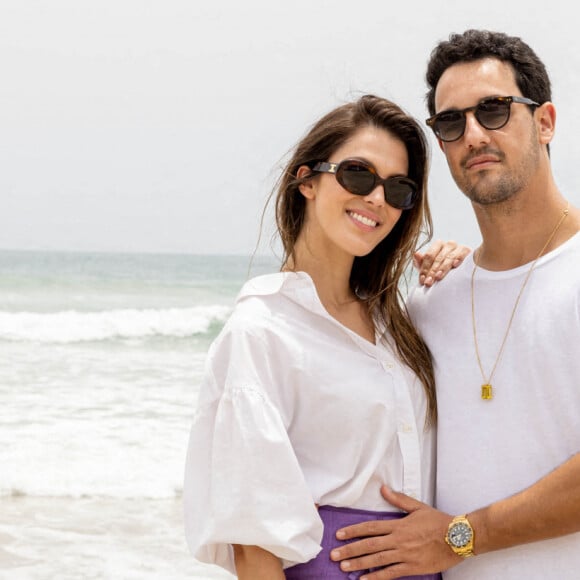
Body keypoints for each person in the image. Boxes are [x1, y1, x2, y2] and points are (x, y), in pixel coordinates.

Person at [183, 94, 468, 579]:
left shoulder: (398, 327)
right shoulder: (262, 330)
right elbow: (254, 544)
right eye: (358, 174)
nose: (377, 198)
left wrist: (466, 274)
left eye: (398, 189)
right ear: (307, 181)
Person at [330, 29, 580, 580]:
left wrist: (460, 537)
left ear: (545, 122)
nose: (472, 134)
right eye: (450, 122)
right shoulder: (432, 300)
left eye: (493, 110)